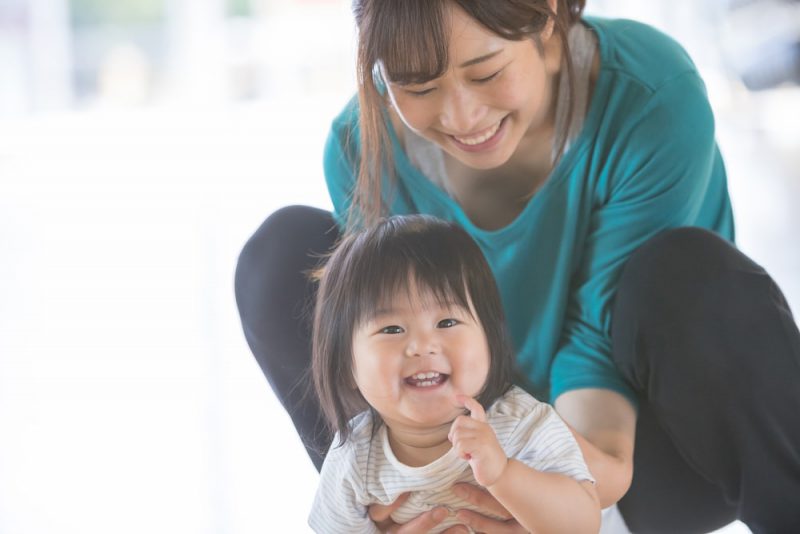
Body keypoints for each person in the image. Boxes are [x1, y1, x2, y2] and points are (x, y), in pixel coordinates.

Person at [234, 0, 800, 532]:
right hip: (466, 468)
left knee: (693, 274)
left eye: (485, 72)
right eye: (418, 85)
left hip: (627, 457)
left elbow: (596, 341)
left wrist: (553, 490)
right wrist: (452, 491)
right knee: (281, 258)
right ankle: (402, 512)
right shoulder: (361, 144)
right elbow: (381, 363)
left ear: (547, 15)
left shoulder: (650, 93)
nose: (462, 115)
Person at [308, 214, 600, 533]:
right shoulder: (354, 459)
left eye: (446, 322)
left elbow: (584, 523)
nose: (422, 346)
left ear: (490, 338)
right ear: (345, 365)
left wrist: (504, 475)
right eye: (391, 328)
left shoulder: (520, 424)